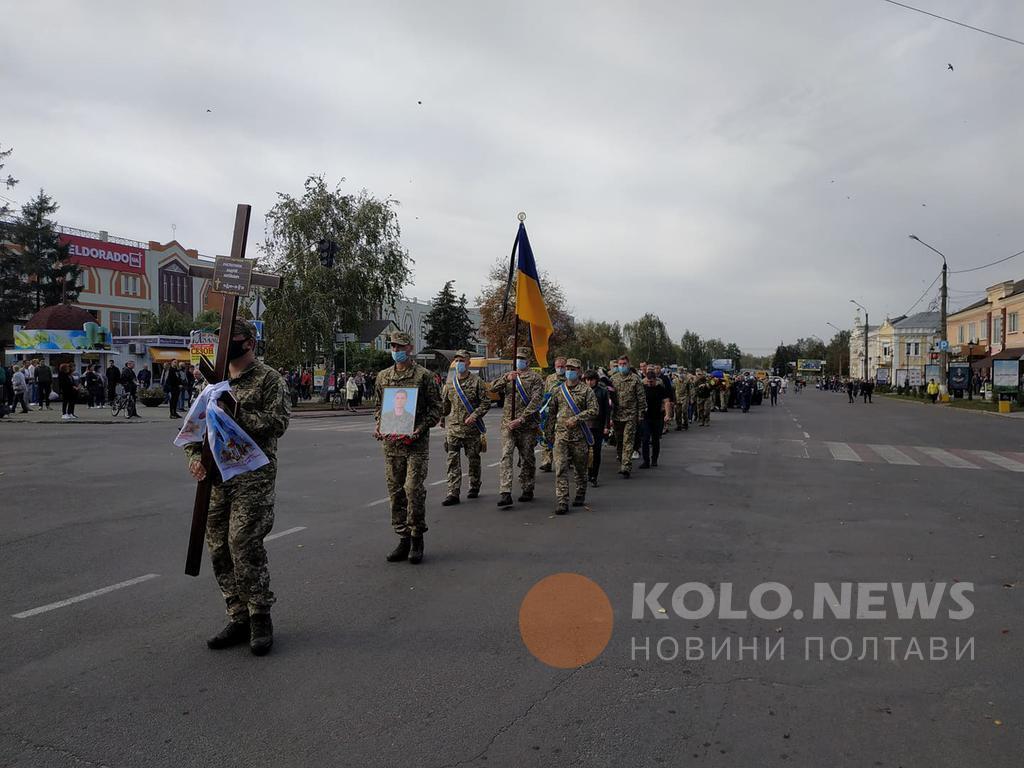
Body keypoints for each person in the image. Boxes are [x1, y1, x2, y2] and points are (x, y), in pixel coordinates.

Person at [185, 319, 290, 656]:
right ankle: (237, 615)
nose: (224, 343)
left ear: (249, 343)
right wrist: (193, 455)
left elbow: (278, 424)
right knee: (217, 547)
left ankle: (260, 615)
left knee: (243, 543)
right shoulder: (212, 380)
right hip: (216, 477)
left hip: (252, 478)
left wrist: (236, 411)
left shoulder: (269, 379)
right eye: (220, 339)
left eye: (232, 338)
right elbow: (196, 421)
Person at [374, 330, 441, 565]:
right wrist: (379, 425)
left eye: (400, 347)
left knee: (413, 489)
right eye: (393, 346)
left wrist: (419, 429)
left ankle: (416, 537)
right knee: (396, 493)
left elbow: (436, 409)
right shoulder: (383, 377)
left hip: (415, 445)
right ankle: (402, 537)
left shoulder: (424, 376)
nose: (396, 351)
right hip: (392, 445)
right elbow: (379, 407)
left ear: (410, 349)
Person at [489, 346, 545, 507]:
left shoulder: (536, 379)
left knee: (527, 457)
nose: (519, 361)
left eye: (522, 359)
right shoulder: (509, 376)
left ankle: (527, 487)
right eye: (517, 358)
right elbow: (492, 388)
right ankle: (505, 492)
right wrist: (506, 379)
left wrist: (521, 419)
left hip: (526, 425)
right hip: (508, 424)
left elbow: (536, 401)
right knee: (506, 456)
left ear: (528, 361)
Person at [440, 349, 491, 505]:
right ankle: (453, 492)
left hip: (471, 430)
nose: (459, 363)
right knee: (452, 461)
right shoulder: (449, 383)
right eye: (457, 360)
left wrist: (474, 415)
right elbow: (445, 404)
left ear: (469, 363)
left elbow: (486, 403)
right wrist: (442, 417)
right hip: (454, 429)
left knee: (473, 460)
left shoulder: (477, 382)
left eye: (462, 360)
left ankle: (474, 485)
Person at [547, 358, 598, 514]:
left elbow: (594, 410)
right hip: (561, 436)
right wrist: (548, 434)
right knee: (560, 468)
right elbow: (551, 413)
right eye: (567, 368)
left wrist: (576, 419)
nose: (569, 371)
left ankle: (580, 493)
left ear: (579, 371)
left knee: (580, 469)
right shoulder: (558, 390)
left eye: (573, 369)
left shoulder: (586, 390)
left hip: (579, 437)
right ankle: (562, 500)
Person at [610, 355, 645, 479]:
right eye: (620, 364)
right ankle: (622, 461)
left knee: (628, 441)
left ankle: (626, 466)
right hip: (616, 415)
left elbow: (641, 398)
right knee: (619, 441)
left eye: (624, 364)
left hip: (631, 415)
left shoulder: (635, 379)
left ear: (629, 364)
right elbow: (609, 398)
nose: (622, 366)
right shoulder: (613, 379)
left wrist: (640, 415)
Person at [538, 355, 567, 472]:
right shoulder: (550, 378)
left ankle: (565, 459)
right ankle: (547, 461)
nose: (560, 368)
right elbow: (545, 395)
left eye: (562, 366)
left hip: (564, 411)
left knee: (562, 437)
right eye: (558, 366)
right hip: (550, 411)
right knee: (547, 435)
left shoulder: (570, 378)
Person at [639, 368, 672, 468]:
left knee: (655, 439)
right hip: (646, 417)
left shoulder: (660, 388)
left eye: (651, 381)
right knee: (645, 439)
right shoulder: (643, 388)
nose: (650, 383)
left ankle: (654, 459)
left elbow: (666, 401)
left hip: (658, 417)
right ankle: (646, 461)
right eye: (648, 381)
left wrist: (667, 414)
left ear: (655, 380)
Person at [584, 370, 612, 487]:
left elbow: (607, 410)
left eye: (592, 380)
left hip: (597, 425)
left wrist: (606, 426)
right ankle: (586, 473)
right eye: (587, 380)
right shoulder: (581, 391)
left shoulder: (602, 392)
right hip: (584, 426)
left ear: (596, 380)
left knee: (596, 452)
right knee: (584, 452)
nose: (589, 382)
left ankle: (593, 475)